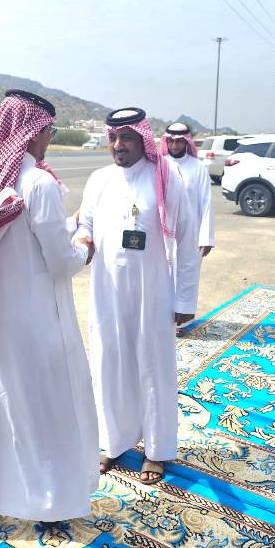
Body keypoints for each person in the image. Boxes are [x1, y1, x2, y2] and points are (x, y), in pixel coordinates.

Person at [0, 90, 98, 542]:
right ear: (34, 132)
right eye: (49, 131)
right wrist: (84, 246)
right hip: (33, 323)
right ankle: (51, 503)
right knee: (43, 409)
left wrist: (66, 227)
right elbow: (60, 261)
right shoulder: (39, 184)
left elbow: (17, 243)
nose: (49, 138)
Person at [76, 107, 200, 485]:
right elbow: (85, 224)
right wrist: (80, 240)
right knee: (109, 364)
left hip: (153, 292)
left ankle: (156, 450)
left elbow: (187, 238)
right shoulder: (99, 180)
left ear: (142, 140)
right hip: (107, 291)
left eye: (127, 137)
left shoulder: (164, 177)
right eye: (113, 137)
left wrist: (184, 300)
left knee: (152, 368)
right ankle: (112, 442)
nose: (118, 145)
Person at [159, 122, 215, 335]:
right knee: (162, 273)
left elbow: (206, 203)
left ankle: (180, 322)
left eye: (179, 141)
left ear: (186, 142)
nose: (175, 145)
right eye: (171, 141)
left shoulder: (198, 168)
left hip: (191, 230)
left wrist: (206, 237)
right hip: (164, 230)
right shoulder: (159, 164)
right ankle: (162, 318)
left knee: (187, 272)